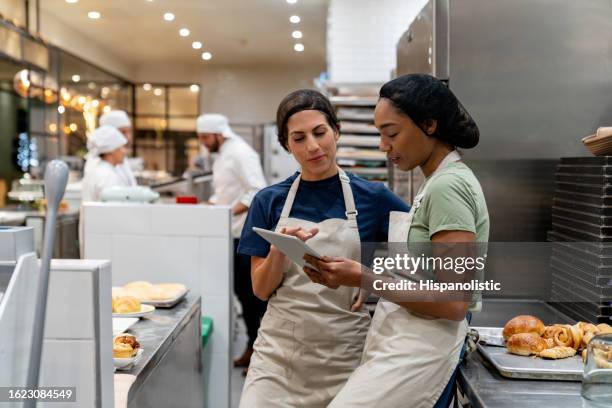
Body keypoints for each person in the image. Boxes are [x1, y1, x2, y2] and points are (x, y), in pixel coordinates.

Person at [303, 74, 490, 408]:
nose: (383, 145)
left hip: (423, 349)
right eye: (380, 134)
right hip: (406, 339)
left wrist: (363, 277)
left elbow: (453, 301)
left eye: (391, 133)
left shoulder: (449, 187)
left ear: (429, 125)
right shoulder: (435, 182)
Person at [237, 89, 410, 407]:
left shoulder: (373, 197)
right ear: (287, 145)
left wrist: (367, 277)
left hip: (345, 356)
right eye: (299, 138)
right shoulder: (268, 201)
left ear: (336, 131)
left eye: (320, 132)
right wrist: (280, 249)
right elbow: (260, 290)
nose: (313, 146)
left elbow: (419, 258)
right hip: (279, 357)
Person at [196, 113, 268, 371]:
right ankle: (253, 347)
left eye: (205, 137)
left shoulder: (240, 152)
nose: (203, 142)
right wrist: (212, 204)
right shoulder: (223, 154)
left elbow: (257, 190)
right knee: (242, 294)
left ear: (219, 133)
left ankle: (262, 354)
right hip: (232, 233)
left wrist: (229, 211)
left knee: (252, 297)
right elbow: (227, 191)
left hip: (246, 235)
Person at [81, 125, 129, 202]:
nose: (125, 152)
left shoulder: (101, 169)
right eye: (122, 147)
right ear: (112, 150)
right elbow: (112, 208)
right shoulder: (107, 175)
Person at [96, 110, 137, 186]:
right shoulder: (101, 169)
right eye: (123, 132)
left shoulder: (119, 159)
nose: (128, 138)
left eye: (129, 131)